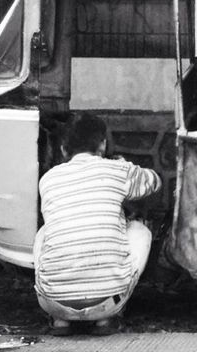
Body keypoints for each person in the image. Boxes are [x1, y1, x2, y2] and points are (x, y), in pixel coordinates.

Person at [34, 113, 161, 337]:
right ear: (102, 145)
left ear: (64, 149)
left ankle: (60, 320)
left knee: (45, 232)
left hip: (51, 301)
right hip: (109, 301)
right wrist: (124, 165)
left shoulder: (48, 179)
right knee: (140, 231)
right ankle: (104, 319)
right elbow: (154, 182)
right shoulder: (118, 171)